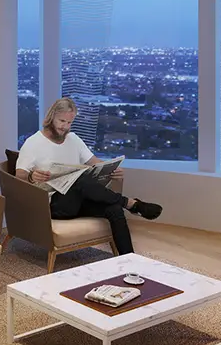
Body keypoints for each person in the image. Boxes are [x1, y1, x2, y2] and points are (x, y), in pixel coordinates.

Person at [15, 97, 162, 256]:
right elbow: (19, 175)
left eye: (69, 123)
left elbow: (95, 163)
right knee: (80, 179)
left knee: (114, 209)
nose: (65, 127)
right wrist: (32, 176)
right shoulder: (33, 143)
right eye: (62, 121)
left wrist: (113, 169)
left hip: (78, 201)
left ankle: (128, 259)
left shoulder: (73, 139)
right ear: (51, 117)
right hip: (53, 204)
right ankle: (130, 203)